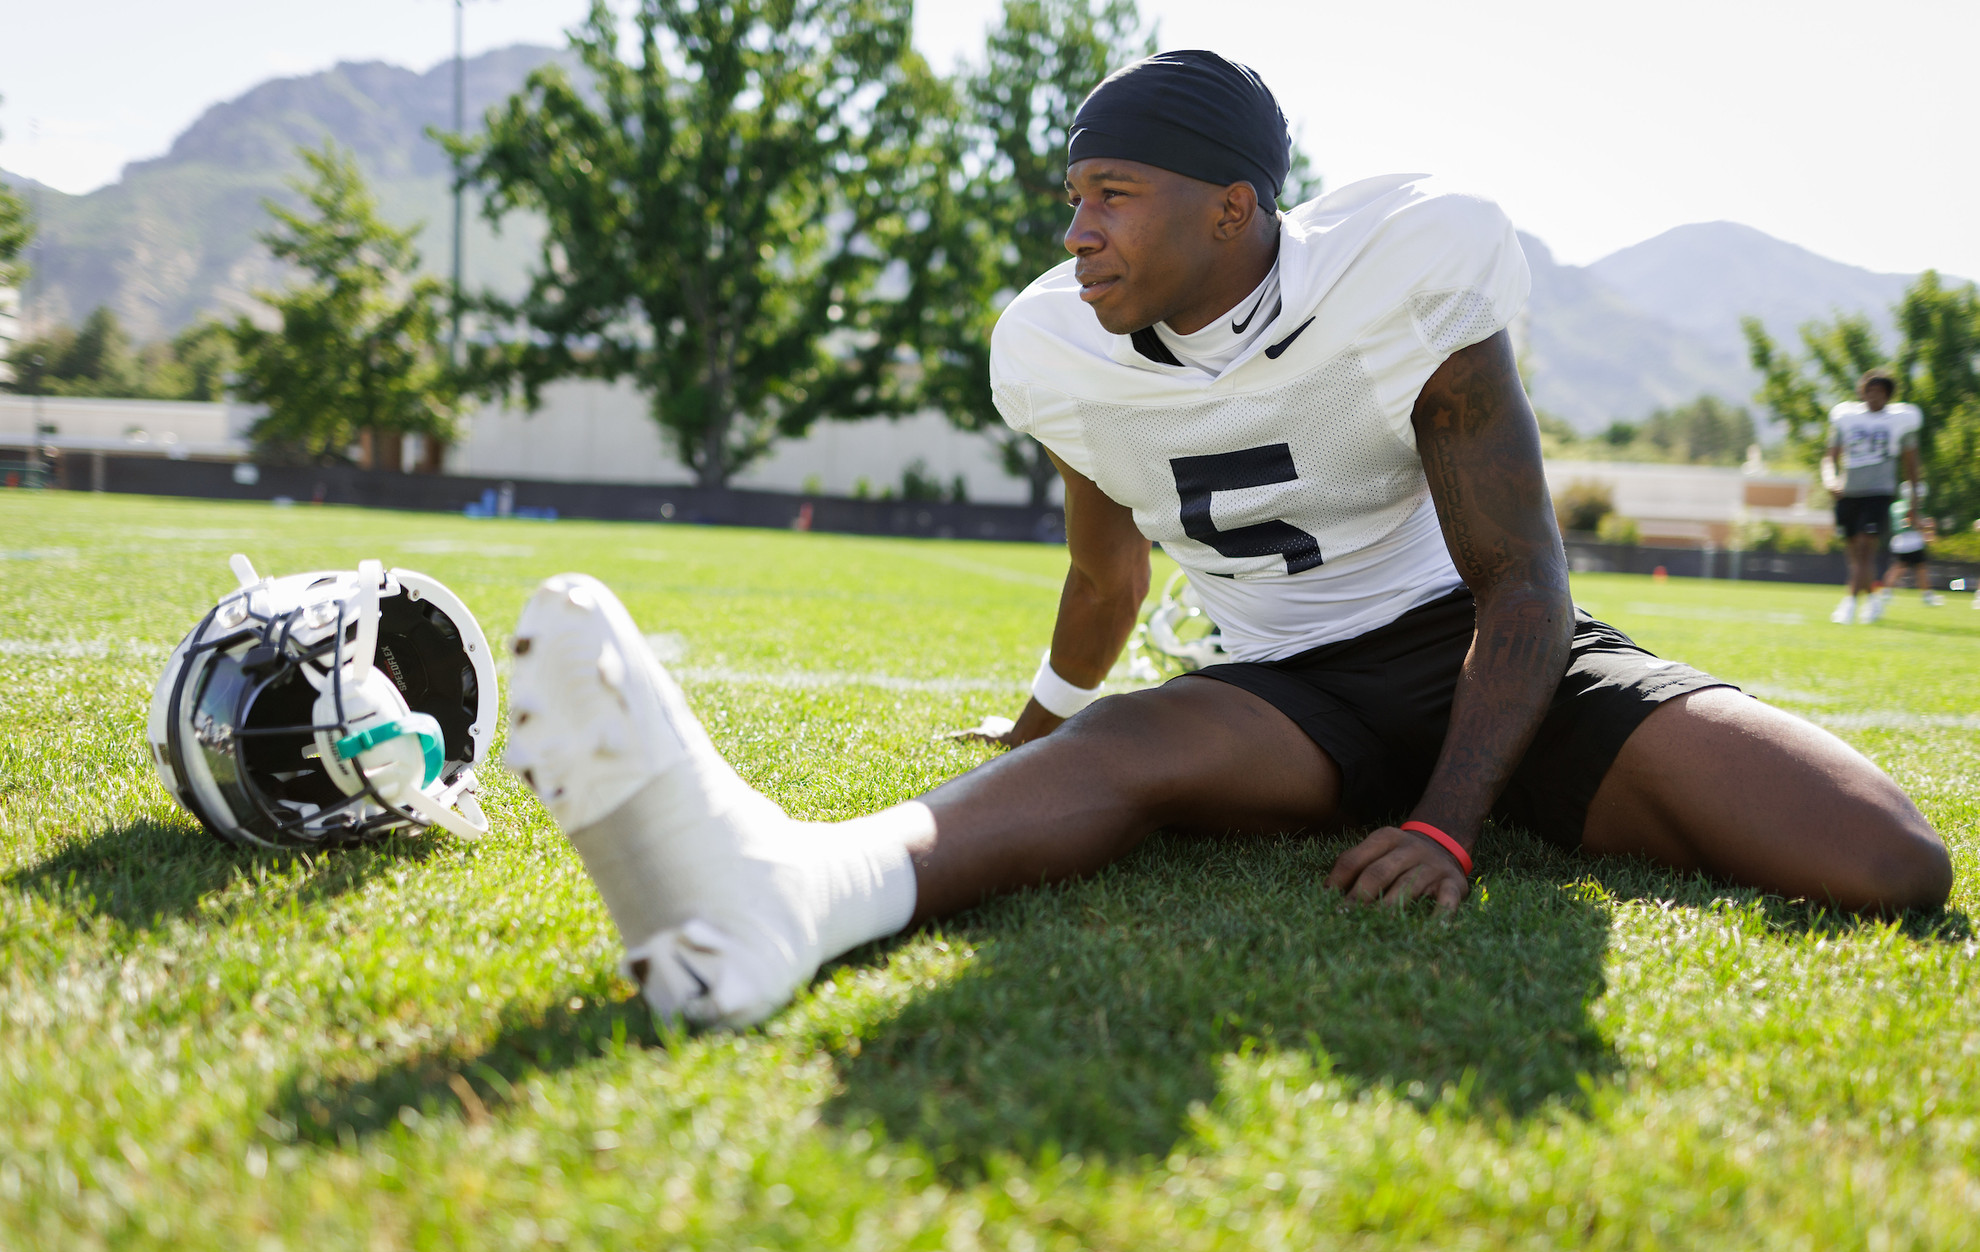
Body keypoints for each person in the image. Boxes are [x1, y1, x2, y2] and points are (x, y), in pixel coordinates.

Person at [503, 52, 1952, 1028]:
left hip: (1488, 654)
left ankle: (1497, 790)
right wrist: (1038, 726)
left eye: (1112, 196)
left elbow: (1523, 582)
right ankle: (786, 895)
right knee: (1119, 756)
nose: (1077, 234)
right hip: (1286, 694)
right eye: (1074, 199)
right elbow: (1105, 573)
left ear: (1234, 206)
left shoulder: (1407, 270)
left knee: (1886, 864)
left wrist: (1450, 818)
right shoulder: (1056, 350)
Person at [1826, 370, 1923, 623]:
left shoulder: (1900, 421)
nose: (1873, 396)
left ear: (1888, 396)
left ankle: (1849, 603)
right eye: (1869, 390)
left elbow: (1911, 464)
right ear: (1862, 392)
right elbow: (1829, 458)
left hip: (1879, 492)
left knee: (1865, 549)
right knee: (1854, 554)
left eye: (1879, 392)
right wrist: (1830, 479)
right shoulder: (1847, 418)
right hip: (1849, 493)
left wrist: (1914, 500)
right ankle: (1871, 600)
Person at [1879, 497, 1942, 606]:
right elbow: (1911, 521)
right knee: (1921, 570)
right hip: (1913, 542)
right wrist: (1926, 526)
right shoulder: (1911, 506)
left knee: (1896, 569)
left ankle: (1886, 593)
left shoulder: (1896, 506)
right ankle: (1927, 596)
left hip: (1899, 541)